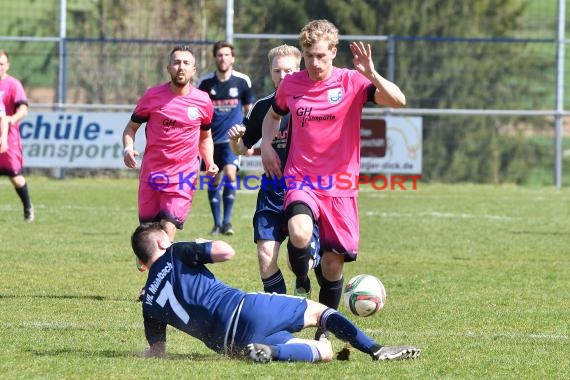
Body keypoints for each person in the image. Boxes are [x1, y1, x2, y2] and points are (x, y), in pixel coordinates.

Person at [260, 20, 407, 338]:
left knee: (332, 266)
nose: (314, 63)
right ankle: (301, 279)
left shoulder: (352, 82)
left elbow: (398, 100)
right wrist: (268, 146)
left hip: (340, 187)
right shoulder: (292, 85)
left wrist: (371, 74)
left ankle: (323, 330)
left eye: (321, 56)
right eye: (309, 55)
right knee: (299, 233)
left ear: (333, 52)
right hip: (301, 180)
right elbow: (273, 115)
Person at [132, 221, 421, 363]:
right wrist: (204, 242)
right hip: (243, 309)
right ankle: (376, 350)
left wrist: (141, 353)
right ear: (160, 243)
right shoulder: (175, 252)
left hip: (228, 346)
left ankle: (273, 352)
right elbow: (226, 252)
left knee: (326, 352)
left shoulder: (148, 304)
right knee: (320, 313)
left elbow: (157, 353)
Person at [228, 44, 320, 295]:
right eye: (277, 71)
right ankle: (278, 313)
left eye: (288, 70)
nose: (283, 76)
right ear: (270, 72)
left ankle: (302, 275)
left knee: (296, 262)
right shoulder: (262, 107)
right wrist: (235, 139)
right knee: (265, 256)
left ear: (299, 68)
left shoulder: (314, 104)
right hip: (271, 189)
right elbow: (241, 149)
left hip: (306, 189)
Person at [123, 45, 218, 247]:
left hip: (183, 176)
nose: (180, 67)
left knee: (166, 230)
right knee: (148, 236)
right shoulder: (152, 97)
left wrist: (209, 161)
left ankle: (166, 276)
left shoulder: (203, 101)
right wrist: (128, 148)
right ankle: (154, 267)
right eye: (176, 62)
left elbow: (205, 137)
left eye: (186, 63)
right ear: (168, 68)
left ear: (194, 70)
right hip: (152, 173)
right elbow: (130, 129)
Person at [197, 41, 255, 236]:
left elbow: (249, 111)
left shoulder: (242, 81)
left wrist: (247, 139)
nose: (223, 58)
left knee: (230, 174)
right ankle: (217, 223)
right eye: (219, 55)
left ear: (233, 58)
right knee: (213, 179)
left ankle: (227, 222)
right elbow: (198, 112)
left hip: (232, 141)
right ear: (215, 58)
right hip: (210, 141)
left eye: (226, 55)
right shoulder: (205, 83)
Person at [0, 50, 34, 222]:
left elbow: (23, 109)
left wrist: (11, 119)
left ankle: (27, 206)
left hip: (9, 138)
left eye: (1, 64)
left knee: (14, 175)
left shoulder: (13, 85)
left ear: (7, 65)